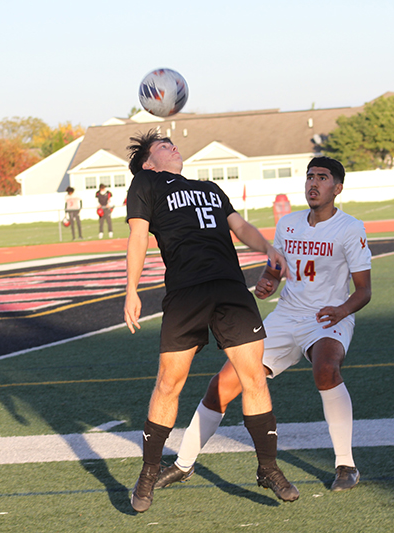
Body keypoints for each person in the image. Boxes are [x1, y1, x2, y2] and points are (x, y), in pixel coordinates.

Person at [155, 156, 372, 493]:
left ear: (337, 188)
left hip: (326, 318)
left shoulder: (350, 227)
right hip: (286, 317)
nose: (313, 183)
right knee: (222, 384)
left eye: (323, 178)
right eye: (310, 176)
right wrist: (267, 282)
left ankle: (346, 465)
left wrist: (343, 310)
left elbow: (364, 290)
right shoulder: (288, 223)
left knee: (326, 369)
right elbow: (274, 270)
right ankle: (183, 463)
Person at [124, 130, 296, 513]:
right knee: (170, 382)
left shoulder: (210, 188)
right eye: (163, 145)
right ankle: (149, 471)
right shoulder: (146, 182)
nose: (172, 145)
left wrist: (269, 247)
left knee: (253, 377)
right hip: (186, 291)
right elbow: (138, 237)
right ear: (150, 162)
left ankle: (267, 468)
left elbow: (239, 226)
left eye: (172, 142)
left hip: (230, 289)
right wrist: (132, 289)